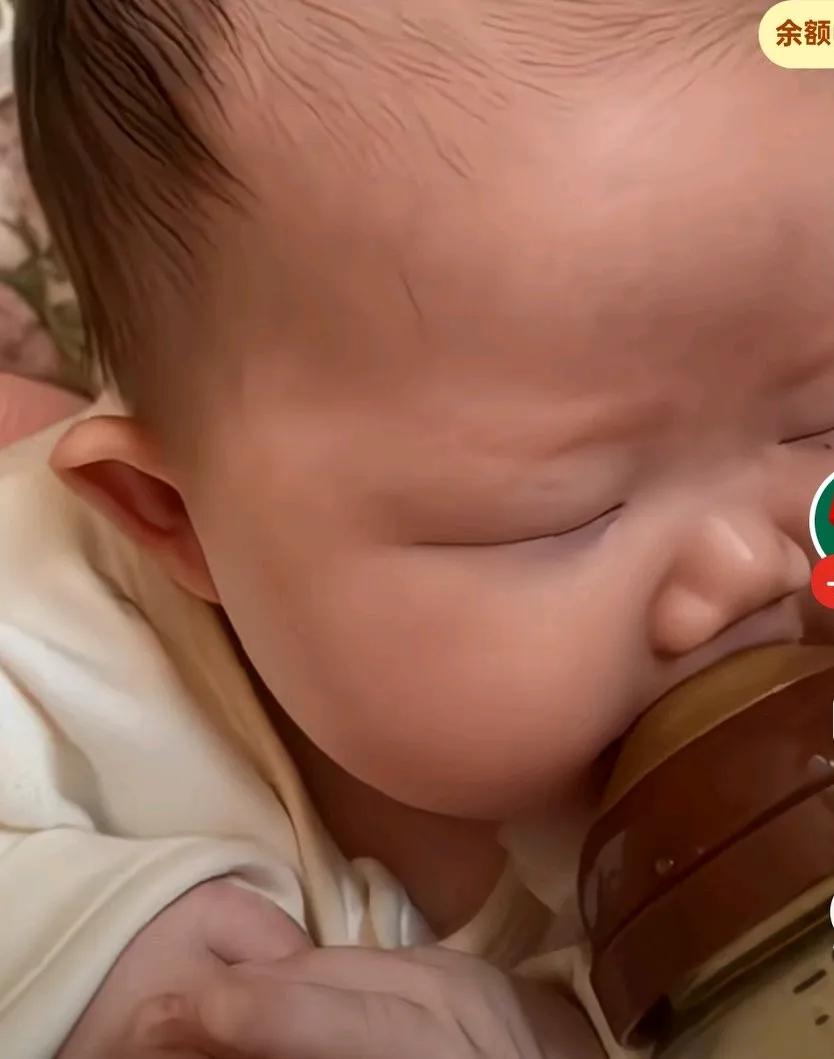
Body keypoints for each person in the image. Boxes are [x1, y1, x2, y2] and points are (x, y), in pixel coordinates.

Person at [4, 1, 833, 1055]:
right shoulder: (50, 653)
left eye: (822, 425)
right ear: (175, 518)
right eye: (562, 512)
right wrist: (80, 950)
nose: (754, 565)